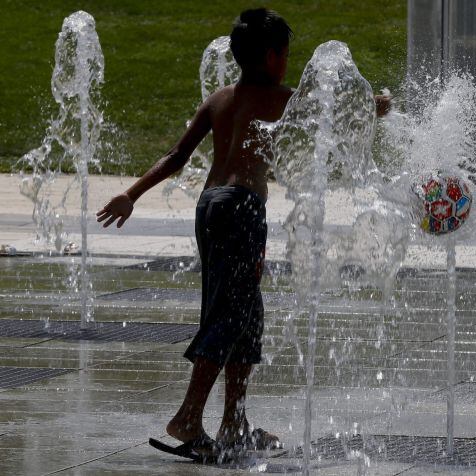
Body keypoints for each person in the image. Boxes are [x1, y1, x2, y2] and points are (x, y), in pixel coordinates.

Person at [97, 8, 390, 457]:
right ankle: (188, 417)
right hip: (241, 211)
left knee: (246, 315)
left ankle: (234, 423)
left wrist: (131, 195)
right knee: (229, 317)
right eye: (286, 54)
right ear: (272, 56)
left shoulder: (219, 98)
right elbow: (335, 118)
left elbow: (178, 156)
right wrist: (376, 109)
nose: (287, 62)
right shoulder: (281, 100)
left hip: (211, 206)